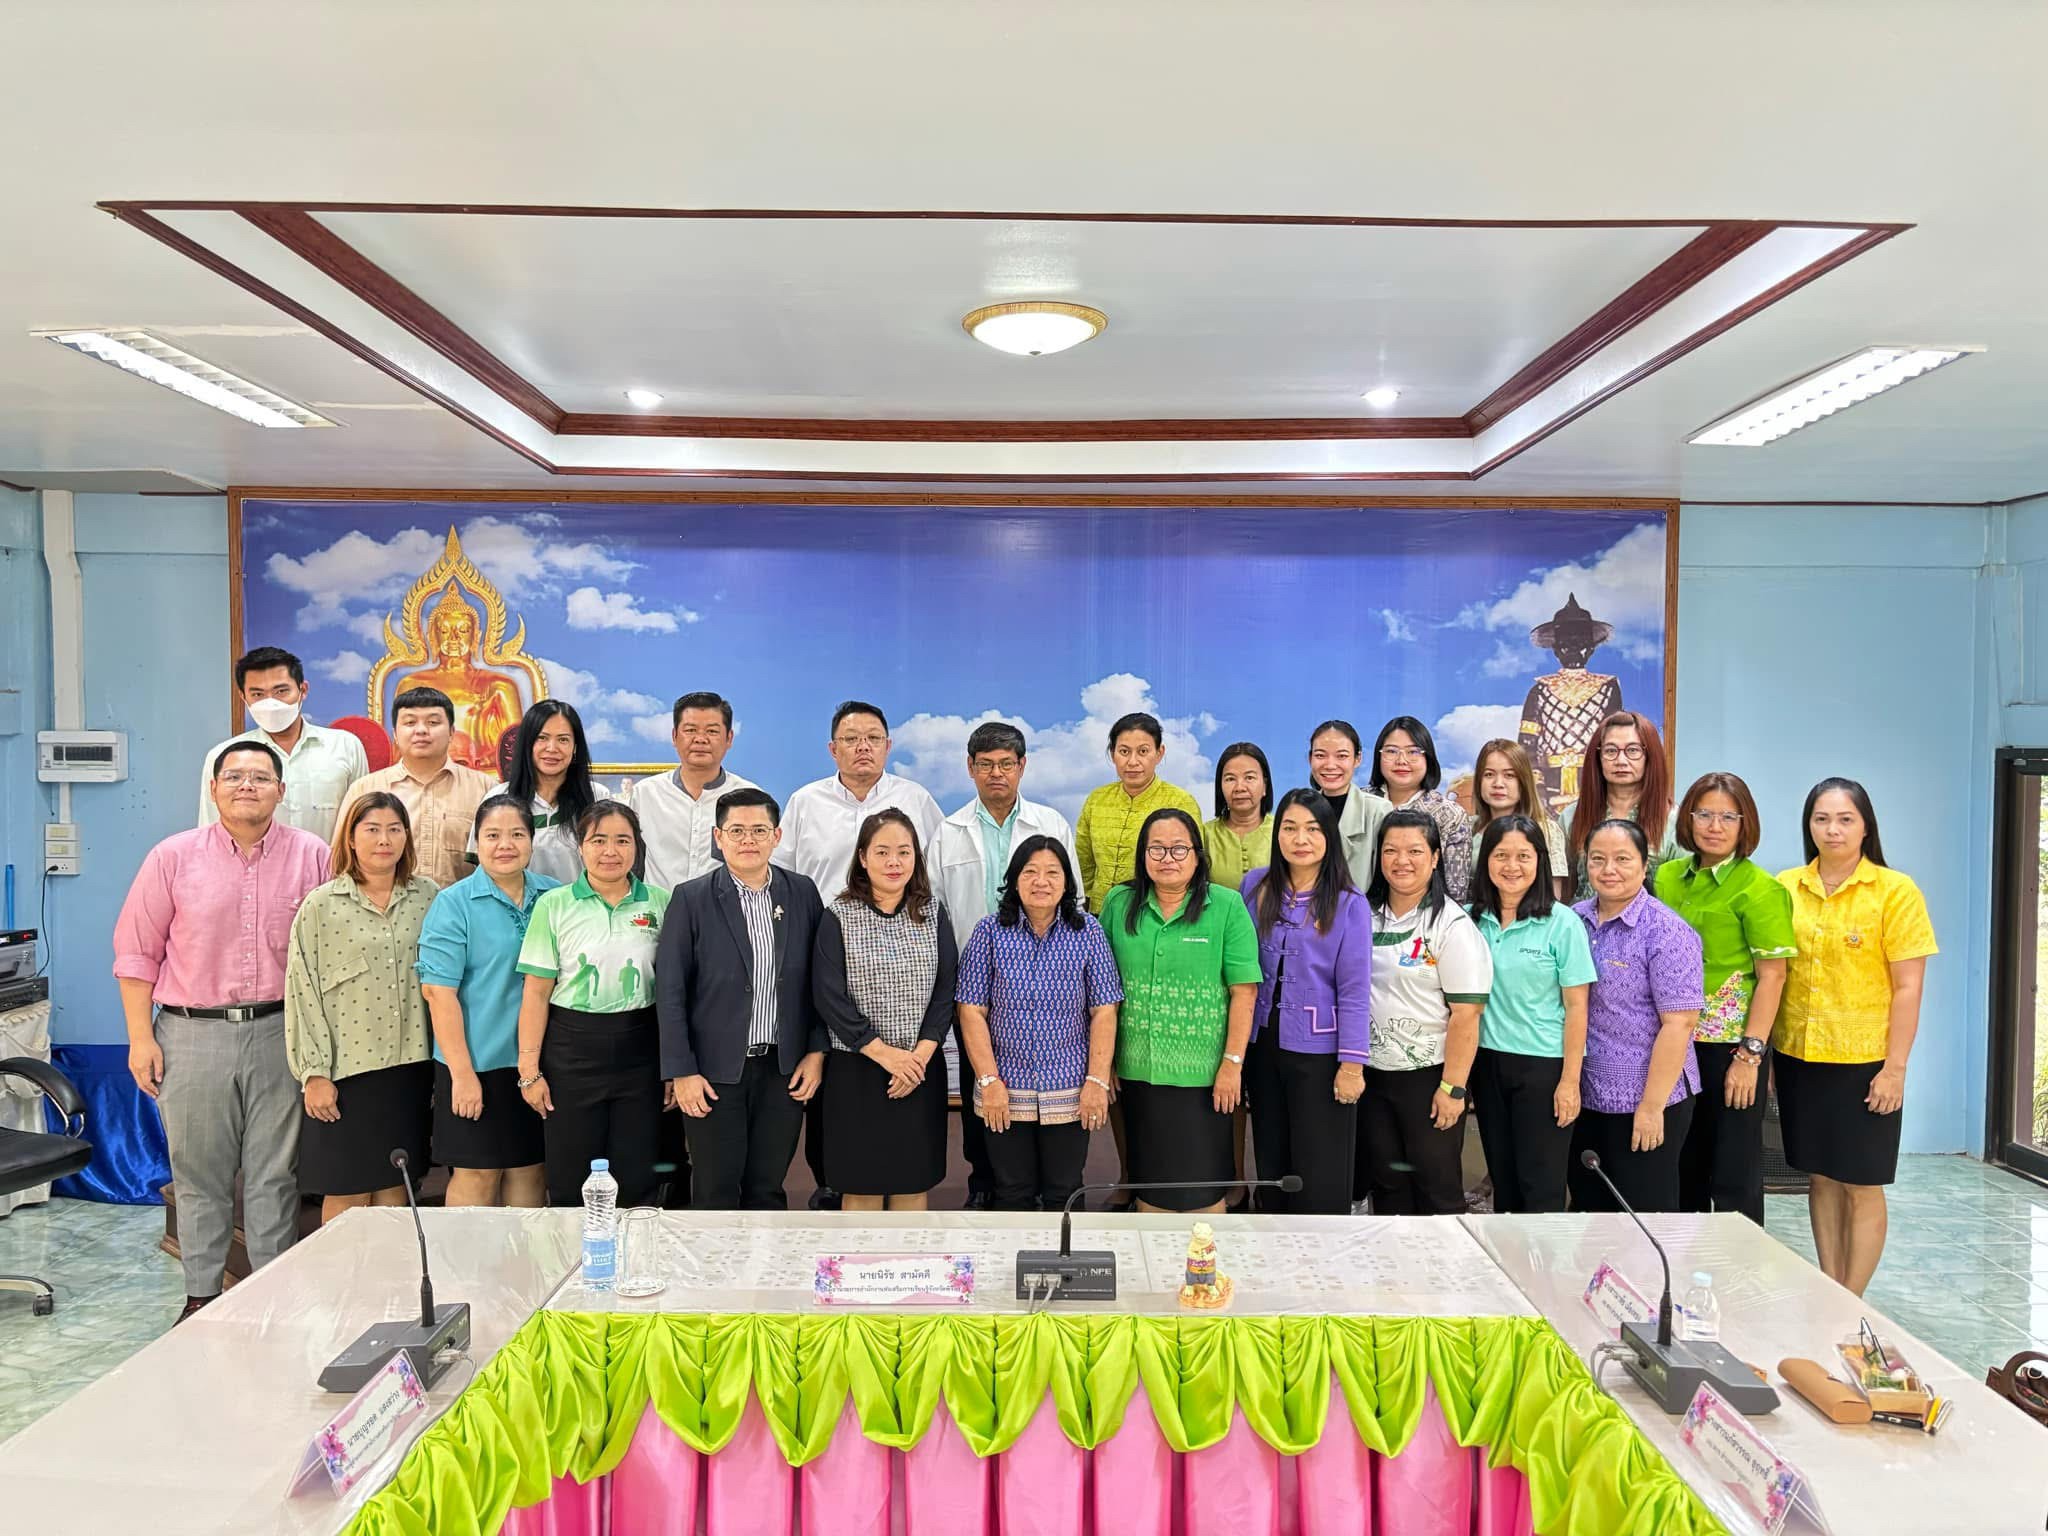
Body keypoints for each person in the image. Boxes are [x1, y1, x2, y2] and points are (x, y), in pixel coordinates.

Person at [114, 741, 331, 1321]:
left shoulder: (313, 855)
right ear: (213, 790)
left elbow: (329, 948)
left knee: (274, 1176)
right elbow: (136, 954)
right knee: (199, 1174)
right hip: (192, 1034)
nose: (246, 786)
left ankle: (272, 1300)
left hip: (281, 1033)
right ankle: (201, 1298)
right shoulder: (172, 857)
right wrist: (140, 1038)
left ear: (281, 790)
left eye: (260, 777)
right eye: (233, 776)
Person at [774, 701, 943, 1204]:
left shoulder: (916, 799)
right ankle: (829, 1187)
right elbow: (784, 881)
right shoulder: (805, 802)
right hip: (827, 961)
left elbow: (935, 878)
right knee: (835, 1117)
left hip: (910, 959)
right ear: (833, 748)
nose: (862, 747)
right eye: (851, 739)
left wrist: (915, 1054)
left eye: (873, 738)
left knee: (909, 1161)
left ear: (888, 746)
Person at [1775, 779, 1936, 1295]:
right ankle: (1830, 1288)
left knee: (1862, 1183)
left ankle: (1853, 1297)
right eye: (1821, 819)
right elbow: (1775, 975)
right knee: (1821, 1176)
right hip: (1799, 1054)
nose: (1833, 830)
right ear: (1809, 826)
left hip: (1866, 1061)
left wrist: (1895, 1069)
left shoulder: (1895, 891)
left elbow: (1908, 987)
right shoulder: (1786, 886)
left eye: (1845, 819)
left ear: (1866, 826)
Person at [656, 788, 828, 1210]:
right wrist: (682, 1071)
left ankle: (765, 1257)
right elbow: (671, 991)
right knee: (715, 1190)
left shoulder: (802, 893)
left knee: (767, 1188)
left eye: (759, 830)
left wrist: (815, 1052)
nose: (748, 839)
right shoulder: (691, 897)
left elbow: (820, 982)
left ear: (777, 836)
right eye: (736, 830)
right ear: (718, 837)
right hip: (713, 1073)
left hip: (783, 1070)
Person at [933, 722, 1075, 1209]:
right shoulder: (948, 832)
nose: (997, 773)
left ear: (1022, 766)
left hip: (1044, 980)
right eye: (986, 764)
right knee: (981, 1081)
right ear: (970, 768)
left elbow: (1071, 900)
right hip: (973, 982)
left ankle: (1039, 1188)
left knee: (1042, 1084)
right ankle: (984, 1184)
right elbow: (934, 909)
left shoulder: (1050, 824)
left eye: (1006, 764)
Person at [284, 794, 438, 1224]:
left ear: (406, 837)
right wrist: (314, 1072)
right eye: (372, 830)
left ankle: (387, 1269)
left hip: (411, 1068)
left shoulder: (428, 897)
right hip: (346, 1073)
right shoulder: (321, 905)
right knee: (347, 1191)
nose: (383, 840)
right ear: (350, 838)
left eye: (394, 829)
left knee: (395, 1187)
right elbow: (302, 991)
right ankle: (342, 1271)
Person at [1100, 808, 1261, 1213]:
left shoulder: (1226, 906)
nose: (1167, 858)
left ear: (1197, 854)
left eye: (1178, 848)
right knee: (1151, 1193)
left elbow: (1244, 992)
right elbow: (1100, 989)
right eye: (1156, 848)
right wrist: (1104, 1062)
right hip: (1135, 1074)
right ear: (1142, 854)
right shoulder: (1119, 903)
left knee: (1202, 1197)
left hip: (1205, 1079)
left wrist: (1232, 1065)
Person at [1655, 772, 1797, 1226]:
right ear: (1688, 818)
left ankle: (1741, 1265)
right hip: (1672, 1041)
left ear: (1744, 823)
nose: (1714, 826)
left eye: (1728, 817)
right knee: (1681, 1162)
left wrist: (1750, 1057)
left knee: (1734, 1170)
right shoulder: (1666, 877)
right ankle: (1682, 1259)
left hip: (1729, 1048)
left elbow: (1773, 977)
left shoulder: (1761, 889)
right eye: (1704, 814)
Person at [515, 801, 671, 1207]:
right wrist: (529, 1071)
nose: (610, 851)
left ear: (637, 846)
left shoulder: (660, 903)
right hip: (571, 1051)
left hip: (642, 1050)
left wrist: (675, 1066)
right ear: (580, 846)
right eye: (598, 840)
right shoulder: (555, 904)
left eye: (623, 840)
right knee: (570, 1176)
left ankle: (634, 1247)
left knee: (637, 1174)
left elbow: (674, 992)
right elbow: (536, 993)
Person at [955, 837, 1121, 1211]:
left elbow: (1104, 1010)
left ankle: (1064, 1254)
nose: (1041, 881)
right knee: (1011, 1190)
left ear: (1067, 882)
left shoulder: (1088, 932)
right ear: (1014, 880)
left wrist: (1096, 1081)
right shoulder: (989, 932)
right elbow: (971, 1011)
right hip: (1003, 1089)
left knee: (1065, 1191)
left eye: (1052, 872)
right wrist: (988, 1081)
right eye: (1030, 871)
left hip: (1070, 1089)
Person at [811, 810, 959, 1211]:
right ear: (862, 857)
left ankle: (910, 1258)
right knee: (861, 1187)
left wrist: (918, 1058)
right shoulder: (838, 915)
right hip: (857, 1071)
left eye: (904, 852)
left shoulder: (933, 913)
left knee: (912, 1182)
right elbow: (828, 995)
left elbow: (945, 990)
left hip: (919, 1070)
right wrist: (883, 1053)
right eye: (882, 852)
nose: (894, 862)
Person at [417, 796, 559, 1209]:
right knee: (476, 1174)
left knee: (530, 1169)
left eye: (517, 834)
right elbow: (438, 993)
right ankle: (462, 1258)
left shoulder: (554, 896)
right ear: (476, 842)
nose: (505, 845)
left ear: (531, 840)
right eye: (493, 835)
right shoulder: (454, 903)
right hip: (474, 1062)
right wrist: (462, 1075)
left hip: (538, 1065)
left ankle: (524, 1256)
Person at [1241, 788, 1371, 1215]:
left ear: (1329, 836)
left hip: (1320, 1053)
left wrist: (1352, 1065)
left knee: (1320, 1168)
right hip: (1262, 1046)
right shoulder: (1255, 886)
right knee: (1272, 1159)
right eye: (1290, 828)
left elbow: (1355, 990)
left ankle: (1322, 1251)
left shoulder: (1349, 902)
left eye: (1313, 829)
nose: (1300, 839)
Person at [1567, 819, 1705, 1214]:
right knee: (1590, 1208)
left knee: (1644, 1213)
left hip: (1647, 1097)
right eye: (1598, 859)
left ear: (1645, 866)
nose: (1609, 869)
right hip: (1585, 1094)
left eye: (1623, 859)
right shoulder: (1572, 921)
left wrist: (1651, 1108)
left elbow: (1679, 1024)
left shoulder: (1667, 931)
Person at [1358, 809, 1490, 1214]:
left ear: (1435, 858)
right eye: (1391, 850)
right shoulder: (1362, 914)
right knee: (1388, 1187)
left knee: (1437, 1191)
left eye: (1415, 851)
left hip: (1429, 1079)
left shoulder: (1451, 925)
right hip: (1371, 1076)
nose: (1402, 860)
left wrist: (1453, 1089)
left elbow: (1466, 1015)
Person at [1467, 814, 1596, 1213]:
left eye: (1523, 855)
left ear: (1540, 860)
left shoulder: (1563, 923)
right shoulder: (1469, 920)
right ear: (1486, 860)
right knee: (1503, 1182)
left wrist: (1570, 1082)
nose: (1512, 866)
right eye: (1501, 855)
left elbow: (1577, 1006)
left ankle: (1544, 1256)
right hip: (1486, 1063)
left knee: (1540, 1185)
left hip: (1543, 1068)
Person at [199, 645, 367, 843]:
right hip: (252, 863)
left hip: (331, 862)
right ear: (243, 696)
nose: (271, 703)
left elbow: (366, 820)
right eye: (258, 694)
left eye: (281, 691)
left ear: (303, 690)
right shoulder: (223, 756)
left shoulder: (345, 746)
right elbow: (211, 832)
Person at [336, 686, 494, 888]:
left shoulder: (485, 789)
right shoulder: (365, 789)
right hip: (381, 906)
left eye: (433, 722)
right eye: (410, 722)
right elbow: (342, 861)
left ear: (451, 732)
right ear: (395, 734)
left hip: (464, 907)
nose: (421, 730)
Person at [623, 691, 762, 890]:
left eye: (712, 731)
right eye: (690, 730)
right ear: (674, 736)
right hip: (661, 907)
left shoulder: (751, 798)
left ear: (729, 738)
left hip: (727, 908)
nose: (700, 739)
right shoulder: (646, 793)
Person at [1076, 712, 1203, 913]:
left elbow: (1191, 865)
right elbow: (1084, 862)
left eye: (1143, 751)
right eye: (1124, 751)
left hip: (1154, 914)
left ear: (1159, 753)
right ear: (1112, 753)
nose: (1132, 761)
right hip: (1099, 914)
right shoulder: (1096, 800)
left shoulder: (1180, 802)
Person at [1517, 593, 1623, 815]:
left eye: (1581, 642)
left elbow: (1614, 741)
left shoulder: (1608, 688)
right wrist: (1537, 790)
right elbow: (1527, 745)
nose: (1574, 648)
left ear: (1591, 648)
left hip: (1594, 785)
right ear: (1556, 649)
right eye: (1566, 642)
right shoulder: (1539, 690)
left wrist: (1608, 788)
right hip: (1549, 787)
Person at [472, 700, 596, 883]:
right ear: (527, 744)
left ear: (575, 747)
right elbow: (481, 871)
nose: (552, 748)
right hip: (514, 901)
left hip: (580, 902)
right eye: (542, 738)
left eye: (563, 739)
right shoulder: (499, 798)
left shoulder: (597, 798)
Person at [1565, 711, 1676, 899]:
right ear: (1598, 757)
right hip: (1581, 917)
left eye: (1633, 750)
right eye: (1610, 751)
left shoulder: (1674, 820)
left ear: (1650, 756)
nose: (1621, 761)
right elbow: (1563, 889)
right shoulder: (1571, 816)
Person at [1369, 717, 1472, 902]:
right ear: (1379, 757)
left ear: (1428, 758)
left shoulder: (1452, 815)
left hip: (1427, 915)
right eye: (1391, 751)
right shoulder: (1359, 803)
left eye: (1413, 752)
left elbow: (1455, 892)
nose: (1401, 760)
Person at [1469, 738, 1571, 901]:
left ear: (1524, 781)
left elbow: (1552, 899)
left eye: (1509, 775)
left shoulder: (1546, 830)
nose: (1498, 783)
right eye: (1489, 774)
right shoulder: (1467, 827)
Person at [1308, 719, 1393, 888]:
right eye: (1320, 755)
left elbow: (1385, 883)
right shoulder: (1301, 810)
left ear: (1357, 759)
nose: (1330, 765)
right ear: (1310, 758)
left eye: (1342, 756)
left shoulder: (1378, 811)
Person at [1202, 742, 1274, 891]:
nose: (1239, 788)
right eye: (1230, 779)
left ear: (1265, 785)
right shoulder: (1204, 835)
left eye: (1249, 778)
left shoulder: (1282, 831)